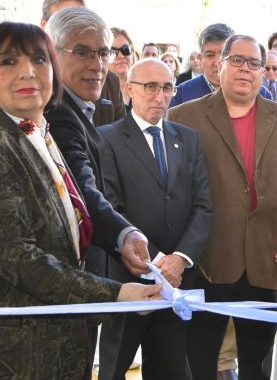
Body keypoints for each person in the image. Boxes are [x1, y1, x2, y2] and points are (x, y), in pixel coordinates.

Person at [0, 22, 161, 379]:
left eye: (39, 60)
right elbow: (19, 258)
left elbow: (73, 209)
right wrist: (117, 294)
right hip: (8, 356)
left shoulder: (32, 129)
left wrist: (122, 237)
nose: (28, 72)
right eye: (9, 61)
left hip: (51, 347)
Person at [168, 35, 277, 380]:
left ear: (265, 72)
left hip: (269, 257)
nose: (245, 69)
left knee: (257, 359)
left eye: (253, 63)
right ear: (218, 66)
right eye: (237, 60)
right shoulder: (182, 118)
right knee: (200, 355)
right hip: (206, 258)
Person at [44, 7, 151, 375]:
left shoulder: (80, 109)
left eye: (104, 52)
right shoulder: (57, 114)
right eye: (83, 52)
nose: (98, 63)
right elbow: (82, 190)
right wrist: (124, 232)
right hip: (67, 282)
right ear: (53, 53)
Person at [98, 58, 213, 380]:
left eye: (166, 87)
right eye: (151, 87)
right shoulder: (105, 139)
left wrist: (180, 259)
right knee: (113, 367)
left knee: (171, 368)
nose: (160, 96)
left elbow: (203, 206)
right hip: (127, 277)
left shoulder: (188, 139)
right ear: (129, 89)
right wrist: (159, 261)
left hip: (177, 281)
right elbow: (109, 206)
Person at [170, 23, 273, 107]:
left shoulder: (261, 95)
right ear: (200, 59)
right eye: (210, 55)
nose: (217, 62)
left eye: (224, 54)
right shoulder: (181, 94)